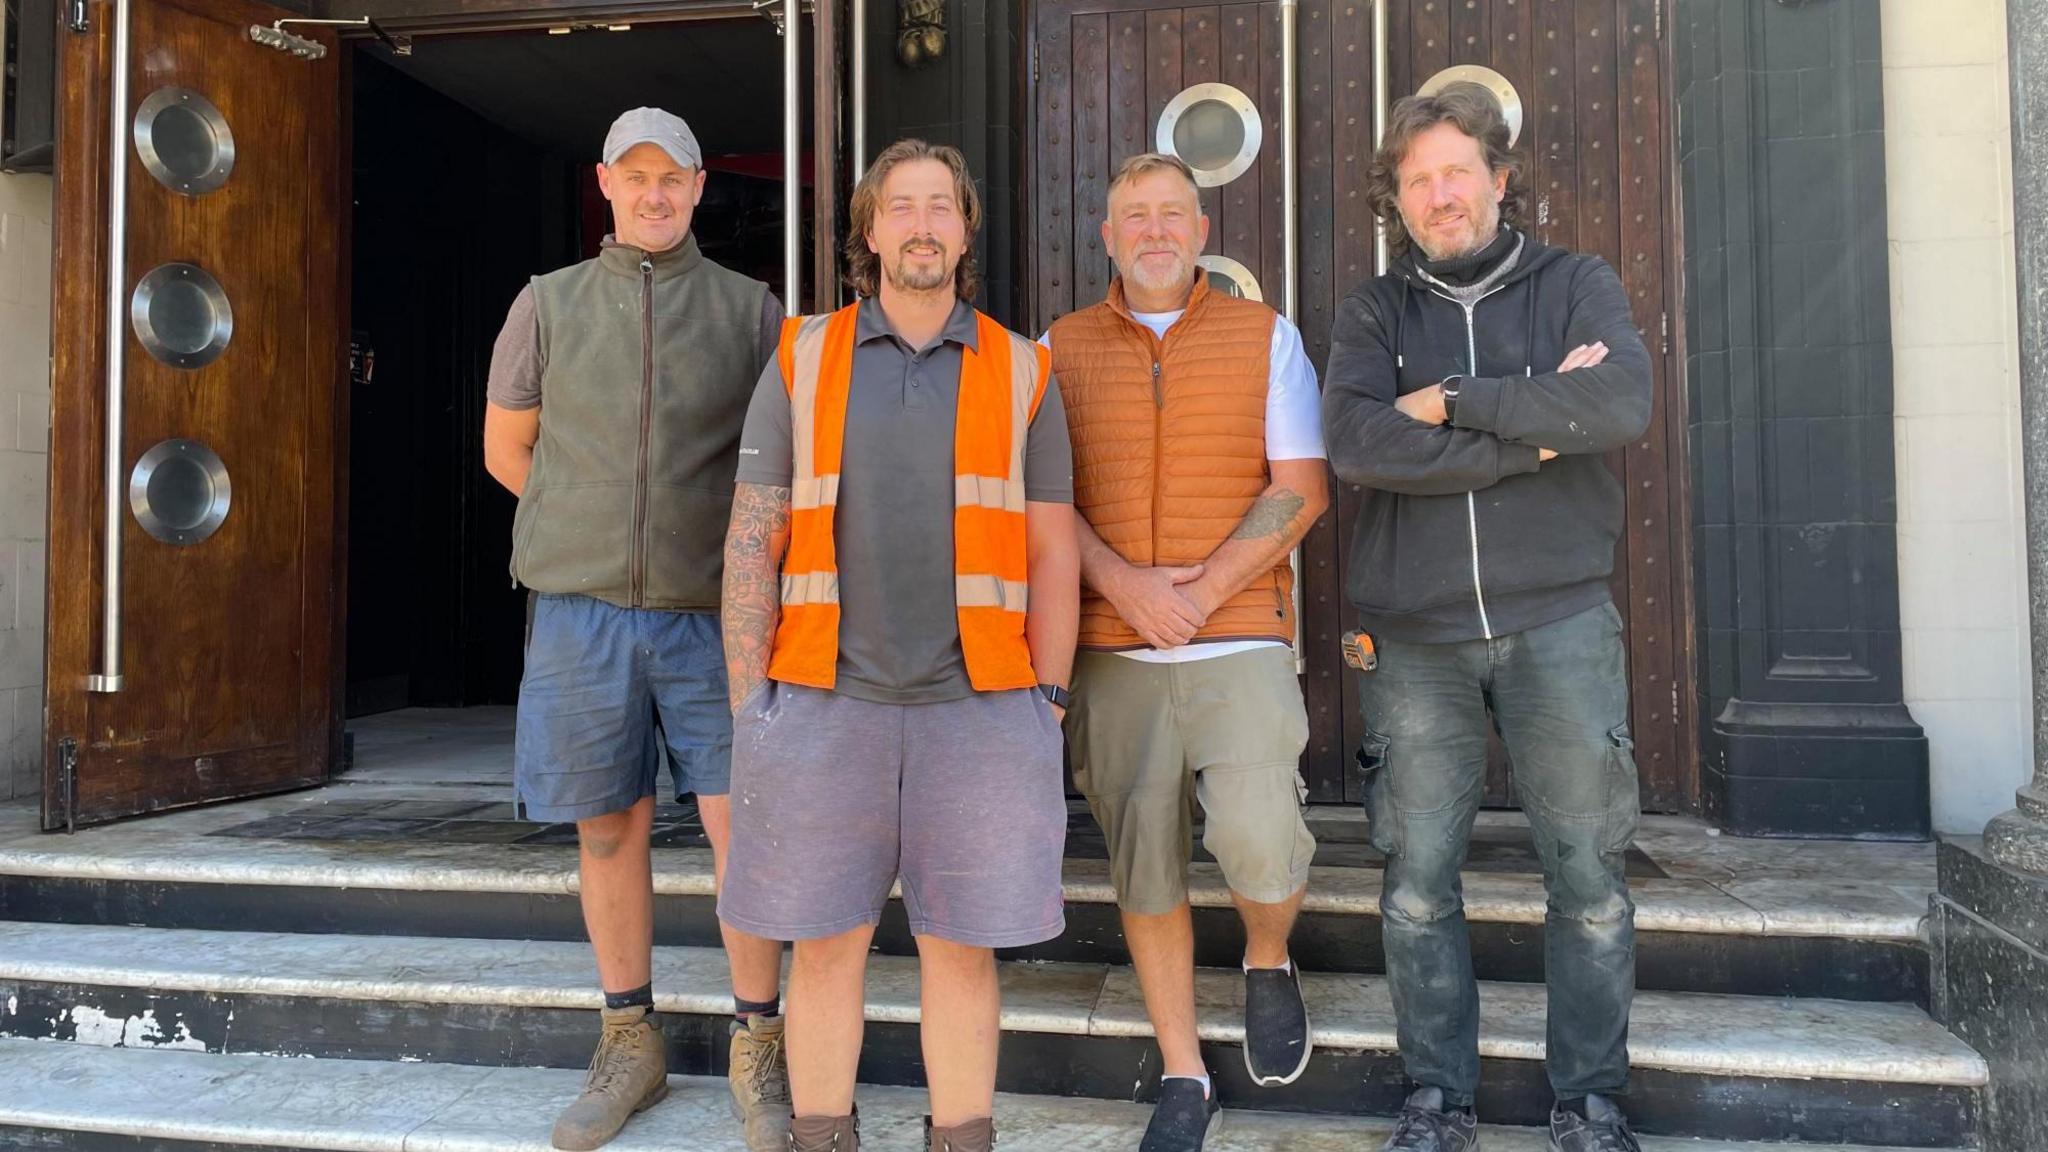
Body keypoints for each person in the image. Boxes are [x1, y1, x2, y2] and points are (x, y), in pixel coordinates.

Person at [715, 138, 1080, 1152]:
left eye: (940, 207)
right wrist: (755, 705)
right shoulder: (801, 355)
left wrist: (1044, 697)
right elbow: (754, 536)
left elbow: (1054, 552)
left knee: (961, 951)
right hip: (825, 704)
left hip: (983, 708)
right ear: (867, 231)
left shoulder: (1022, 367)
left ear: (964, 230)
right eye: (900, 207)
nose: (921, 225)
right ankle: (820, 1137)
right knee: (824, 948)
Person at [1320, 84, 1654, 1152]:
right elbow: (1361, 446)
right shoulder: (1373, 313)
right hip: (1413, 639)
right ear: (1398, 200)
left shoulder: (1574, 286)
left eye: (1455, 171)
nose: (1437, 194)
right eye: (1415, 180)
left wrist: (1455, 400)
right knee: (1417, 885)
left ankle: (1589, 1102)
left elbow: (1615, 405)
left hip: (1557, 625)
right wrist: (1532, 426)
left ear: (1498, 180)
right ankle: (1435, 1100)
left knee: (1589, 880)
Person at [481, 107, 790, 1152]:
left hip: (718, 615)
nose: (655, 194)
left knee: (740, 827)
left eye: (675, 178)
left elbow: (780, 470)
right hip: (581, 613)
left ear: (700, 187)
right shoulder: (547, 304)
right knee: (606, 825)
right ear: (606, 184)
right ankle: (629, 1042)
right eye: (636, 176)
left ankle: (760, 1044)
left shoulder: (751, 311)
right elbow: (507, 449)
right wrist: (591, 537)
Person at [1042, 152, 1329, 1152]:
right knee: (1144, 868)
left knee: (1258, 837)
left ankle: (1263, 955)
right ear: (1108, 238)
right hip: (1113, 650)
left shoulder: (1265, 337)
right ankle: (1181, 1069)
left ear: (1201, 232)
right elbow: (1042, 505)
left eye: (1173, 214)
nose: (1154, 231)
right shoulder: (1058, 348)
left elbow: (1300, 483)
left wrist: (1200, 593)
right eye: (1134, 217)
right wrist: (1122, 585)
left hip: (1237, 636)